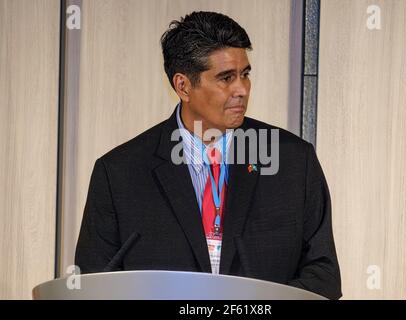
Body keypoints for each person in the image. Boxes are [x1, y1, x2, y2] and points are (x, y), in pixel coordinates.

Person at [75, 11, 342, 300]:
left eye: (245, 74)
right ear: (183, 85)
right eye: (226, 78)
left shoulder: (293, 161)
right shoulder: (119, 174)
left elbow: (323, 276)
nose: (241, 89)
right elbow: (93, 286)